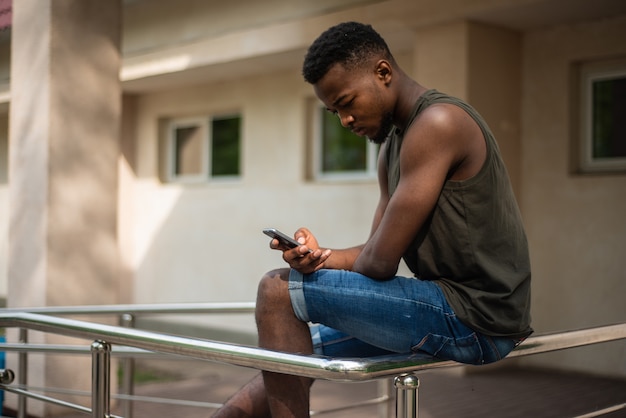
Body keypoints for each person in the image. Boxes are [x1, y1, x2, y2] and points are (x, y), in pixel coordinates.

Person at [213, 21, 532, 418]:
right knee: (284, 363)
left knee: (277, 291)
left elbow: (379, 264)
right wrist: (318, 257)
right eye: (334, 112)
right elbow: (375, 249)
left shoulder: (438, 124)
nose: (344, 120)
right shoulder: (391, 149)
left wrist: (329, 268)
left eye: (347, 102)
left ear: (383, 73)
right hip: (445, 306)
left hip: (476, 316)